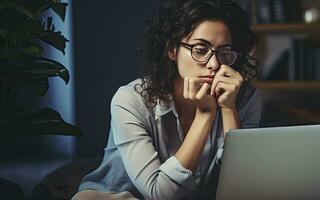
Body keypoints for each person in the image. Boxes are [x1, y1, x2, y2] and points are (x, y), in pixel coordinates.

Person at [72, 0, 261, 199]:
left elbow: (244, 186)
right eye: (200, 49)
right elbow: (160, 194)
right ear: (172, 49)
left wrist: (229, 109)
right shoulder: (130, 100)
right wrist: (204, 115)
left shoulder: (245, 98)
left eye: (224, 52)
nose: (214, 64)